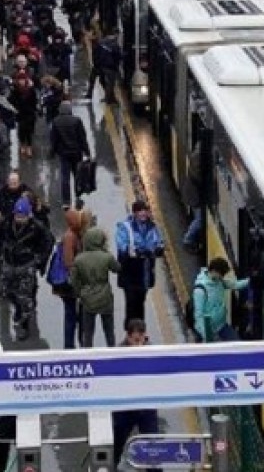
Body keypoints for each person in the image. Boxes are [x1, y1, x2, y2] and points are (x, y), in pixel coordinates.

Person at [0, 197, 54, 339]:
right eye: (17, 216)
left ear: (29, 215)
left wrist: (39, 259)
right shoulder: (6, 223)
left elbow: (48, 242)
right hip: (9, 263)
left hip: (26, 265)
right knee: (7, 292)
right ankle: (19, 309)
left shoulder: (37, 228)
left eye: (23, 217)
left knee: (25, 297)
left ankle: (24, 324)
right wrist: (0, 252)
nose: (19, 219)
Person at [111, 319, 160, 470]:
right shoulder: (118, 354)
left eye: (141, 340)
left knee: (153, 448)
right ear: (128, 337)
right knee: (117, 444)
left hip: (146, 408)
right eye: (135, 341)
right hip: (125, 408)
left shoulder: (152, 352)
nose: (138, 345)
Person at [115, 200, 164, 329]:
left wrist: (158, 249)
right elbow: (122, 247)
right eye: (140, 211)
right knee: (131, 303)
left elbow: (158, 242)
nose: (143, 213)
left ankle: (140, 331)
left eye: (145, 211)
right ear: (134, 213)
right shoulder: (125, 227)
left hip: (145, 272)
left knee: (141, 302)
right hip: (130, 272)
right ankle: (131, 331)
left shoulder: (152, 227)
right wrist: (137, 252)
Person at [71, 226, 120, 347]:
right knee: (109, 330)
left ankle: (88, 352)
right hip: (105, 296)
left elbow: (74, 281)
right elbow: (117, 268)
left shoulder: (79, 259)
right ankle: (112, 350)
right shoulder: (106, 257)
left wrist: (80, 293)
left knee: (88, 332)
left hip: (87, 298)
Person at [53, 202, 92, 349]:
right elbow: (69, 262)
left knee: (75, 313)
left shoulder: (75, 234)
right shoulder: (71, 237)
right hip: (71, 283)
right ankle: (72, 344)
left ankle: (76, 342)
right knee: (73, 314)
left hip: (74, 282)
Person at [193, 257, 251, 342]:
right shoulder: (200, 290)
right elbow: (199, 315)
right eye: (221, 274)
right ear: (214, 271)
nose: (222, 277)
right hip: (206, 331)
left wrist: (249, 281)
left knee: (237, 344)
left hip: (221, 325)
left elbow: (235, 285)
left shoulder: (219, 281)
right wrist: (206, 335)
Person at [49, 100, 90, 206]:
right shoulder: (77, 121)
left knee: (65, 177)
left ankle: (66, 201)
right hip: (76, 153)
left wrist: (52, 152)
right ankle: (78, 195)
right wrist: (87, 152)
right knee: (77, 175)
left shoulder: (56, 121)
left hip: (64, 154)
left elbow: (54, 139)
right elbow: (82, 138)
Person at [9, 73, 39, 159]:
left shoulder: (31, 90)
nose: (21, 81)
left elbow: (35, 101)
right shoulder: (15, 90)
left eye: (23, 79)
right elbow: (11, 101)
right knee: (21, 131)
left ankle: (29, 147)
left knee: (29, 131)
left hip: (30, 114)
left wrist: (34, 110)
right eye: (20, 80)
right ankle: (22, 145)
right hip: (20, 114)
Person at [90, 32, 122, 105]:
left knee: (104, 82)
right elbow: (118, 56)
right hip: (111, 67)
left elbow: (95, 54)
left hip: (102, 66)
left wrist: (97, 65)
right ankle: (108, 99)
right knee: (110, 84)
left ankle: (111, 98)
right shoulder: (114, 45)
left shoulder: (101, 43)